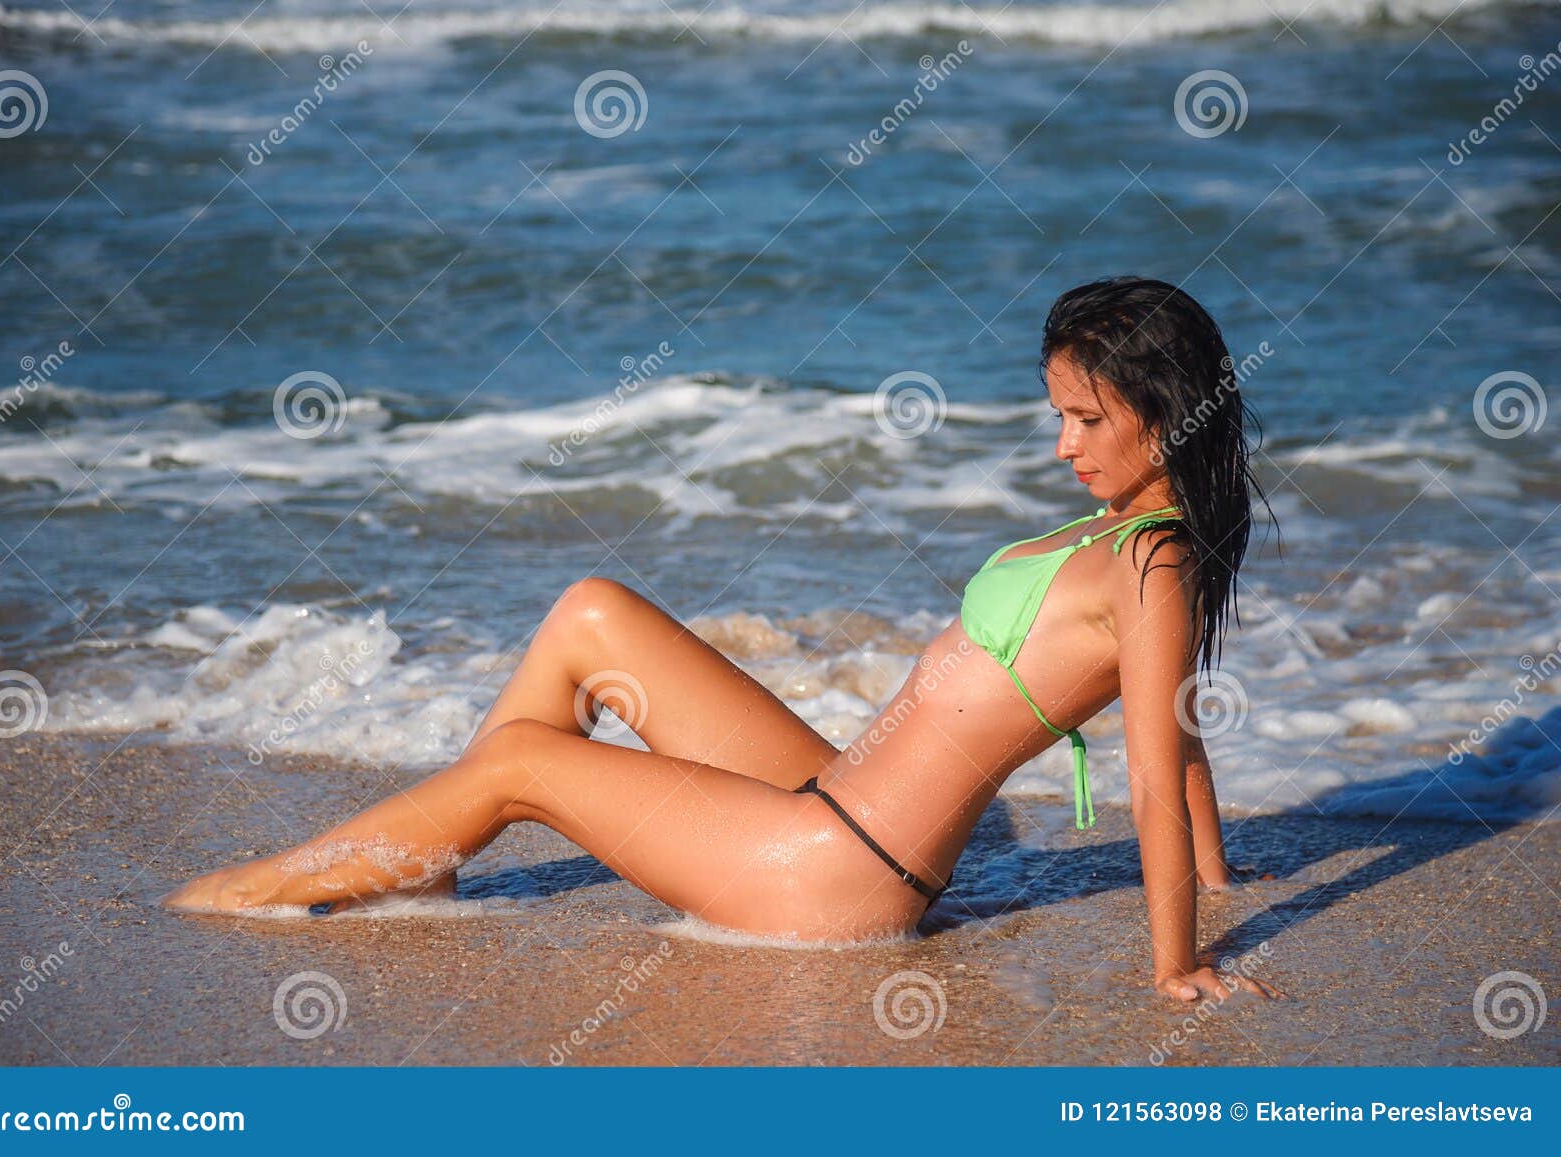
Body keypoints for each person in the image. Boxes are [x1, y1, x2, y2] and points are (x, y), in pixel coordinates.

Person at [163, 275, 1285, 1004]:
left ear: (1166, 409)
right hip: (829, 796)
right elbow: (1180, 740)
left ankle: (251, 892)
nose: (1059, 445)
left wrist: (1177, 960)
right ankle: (431, 858)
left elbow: (1151, 761)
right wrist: (1221, 870)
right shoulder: (1124, 533)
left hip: (841, 873)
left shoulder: (1157, 563)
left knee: (517, 765)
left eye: (1085, 420)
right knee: (591, 613)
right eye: (1056, 414)